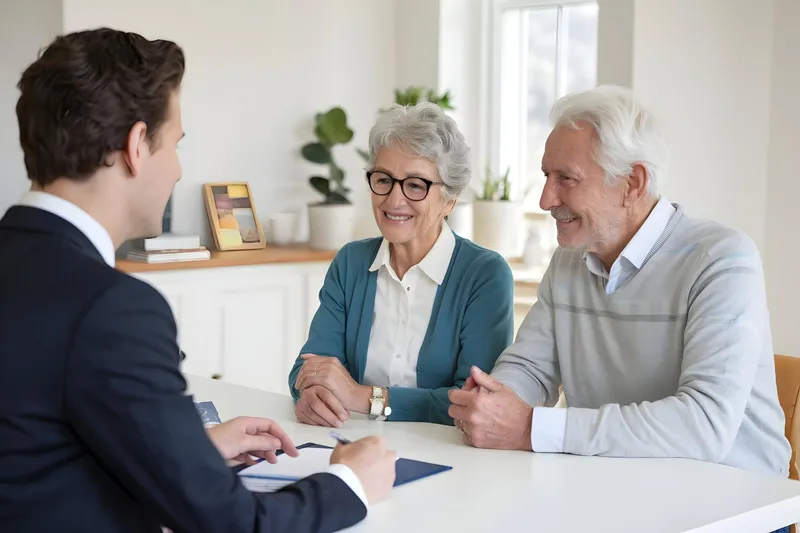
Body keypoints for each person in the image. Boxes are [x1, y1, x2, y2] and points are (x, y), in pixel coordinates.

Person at [0, 28, 395, 533]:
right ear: (136, 146)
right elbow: (231, 525)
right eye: (175, 144)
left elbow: (34, 449)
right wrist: (350, 484)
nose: (179, 169)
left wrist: (184, 452)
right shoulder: (112, 308)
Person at [448, 85, 792, 480]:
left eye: (566, 178)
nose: (545, 199)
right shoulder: (569, 261)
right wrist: (496, 399)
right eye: (546, 175)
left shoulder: (721, 260)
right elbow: (530, 367)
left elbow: (705, 425)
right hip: (615, 488)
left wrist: (531, 428)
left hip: (736, 505)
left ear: (633, 183)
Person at [288, 103, 515, 426]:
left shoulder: (485, 275)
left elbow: (474, 401)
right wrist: (310, 394)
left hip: (449, 458)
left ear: (449, 199)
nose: (394, 200)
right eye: (384, 179)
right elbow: (308, 366)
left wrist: (364, 398)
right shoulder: (351, 262)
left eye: (415, 185)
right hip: (350, 446)